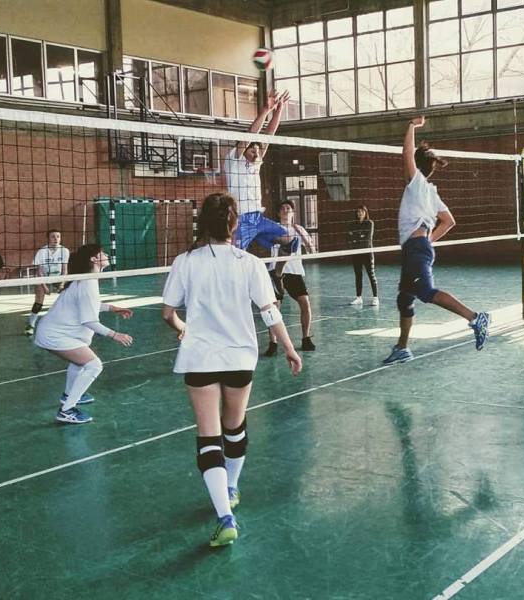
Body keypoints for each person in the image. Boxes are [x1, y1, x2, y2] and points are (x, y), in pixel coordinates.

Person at [161, 192, 302, 548]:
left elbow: (167, 313)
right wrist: (289, 348)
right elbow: (269, 312)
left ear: (202, 225)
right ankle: (232, 486)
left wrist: (181, 327)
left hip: (200, 358)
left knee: (208, 436)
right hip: (240, 358)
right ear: (234, 224)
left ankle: (225, 516)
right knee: (234, 427)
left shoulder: (184, 261)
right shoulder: (249, 262)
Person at [383, 116, 491, 365]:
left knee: (426, 292)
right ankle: (402, 348)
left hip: (416, 249)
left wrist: (411, 126)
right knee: (405, 299)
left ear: (416, 166)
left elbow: (406, 153)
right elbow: (448, 221)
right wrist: (428, 240)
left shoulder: (416, 184)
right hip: (417, 248)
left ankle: (476, 318)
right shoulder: (431, 191)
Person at [34, 244, 134, 424]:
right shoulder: (87, 282)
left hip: (55, 332)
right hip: (54, 335)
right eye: (102, 253)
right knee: (94, 365)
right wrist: (115, 334)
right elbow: (89, 321)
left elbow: (88, 303)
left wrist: (112, 308)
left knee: (79, 362)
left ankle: (68, 395)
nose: (106, 254)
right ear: (94, 259)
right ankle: (66, 410)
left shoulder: (87, 280)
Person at [224, 89, 298, 290]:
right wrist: (265, 110)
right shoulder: (234, 160)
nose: (257, 152)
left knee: (291, 241)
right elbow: (251, 134)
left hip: (259, 219)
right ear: (243, 149)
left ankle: (277, 273)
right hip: (242, 221)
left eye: (258, 149)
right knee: (233, 259)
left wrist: (279, 110)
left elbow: (269, 135)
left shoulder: (255, 163)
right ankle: (230, 290)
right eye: (252, 149)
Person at [266, 200, 316, 355]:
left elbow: (312, 250)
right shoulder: (273, 228)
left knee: (305, 303)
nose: (285, 210)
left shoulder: (298, 229)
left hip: (294, 272)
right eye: (282, 208)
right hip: (275, 272)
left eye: (288, 208)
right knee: (273, 308)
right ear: (278, 213)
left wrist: (303, 237)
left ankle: (306, 338)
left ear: (293, 212)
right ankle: (273, 343)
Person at [24, 229, 70, 336]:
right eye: (53, 236)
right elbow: (39, 272)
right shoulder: (42, 252)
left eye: (58, 236)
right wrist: (44, 287)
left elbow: (65, 270)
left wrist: (62, 284)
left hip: (58, 278)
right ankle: (30, 325)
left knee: (67, 298)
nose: (56, 239)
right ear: (48, 238)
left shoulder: (64, 251)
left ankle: (65, 324)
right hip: (43, 278)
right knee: (38, 302)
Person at [347, 205, 379, 306]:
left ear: (365, 213)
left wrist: (356, 237)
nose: (359, 213)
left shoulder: (369, 223)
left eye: (362, 211)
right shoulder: (352, 224)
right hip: (356, 253)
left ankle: (375, 298)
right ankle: (359, 298)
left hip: (367, 253)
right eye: (358, 211)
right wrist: (358, 236)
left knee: (371, 275)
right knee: (358, 276)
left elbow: (367, 239)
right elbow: (349, 237)